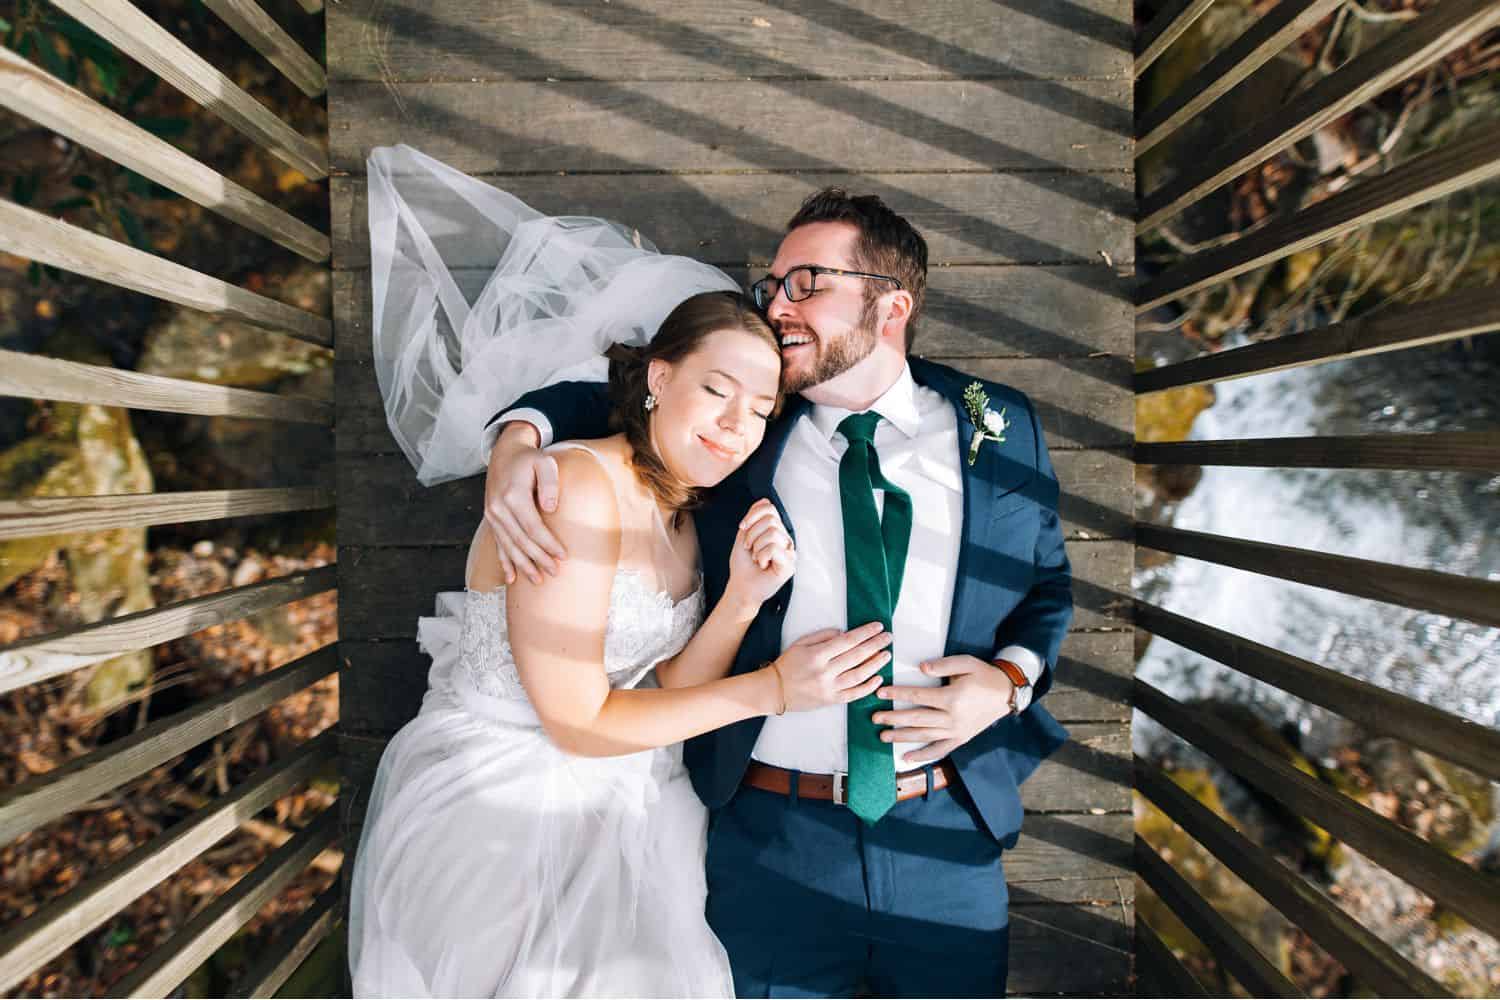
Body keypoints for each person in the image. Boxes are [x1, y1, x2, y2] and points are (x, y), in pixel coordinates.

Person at [484, 188, 1074, 996]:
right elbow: (625, 393)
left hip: (947, 827)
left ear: (890, 304)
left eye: (806, 283)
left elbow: (1046, 584)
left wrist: (1007, 685)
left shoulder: (997, 424)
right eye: (772, 285)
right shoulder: (746, 423)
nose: (777, 304)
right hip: (768, 831)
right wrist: (518, 442)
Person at [348, 147, 895, 997]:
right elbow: (575, 721)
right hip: (506, 808)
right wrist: (775, 690)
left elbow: (665, 682)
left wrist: (740, 602)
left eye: (760, 410)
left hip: (633, 799)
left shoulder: (684, 515)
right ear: (659, 377)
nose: (737, 426)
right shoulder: (571, 490)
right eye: (717, 390)